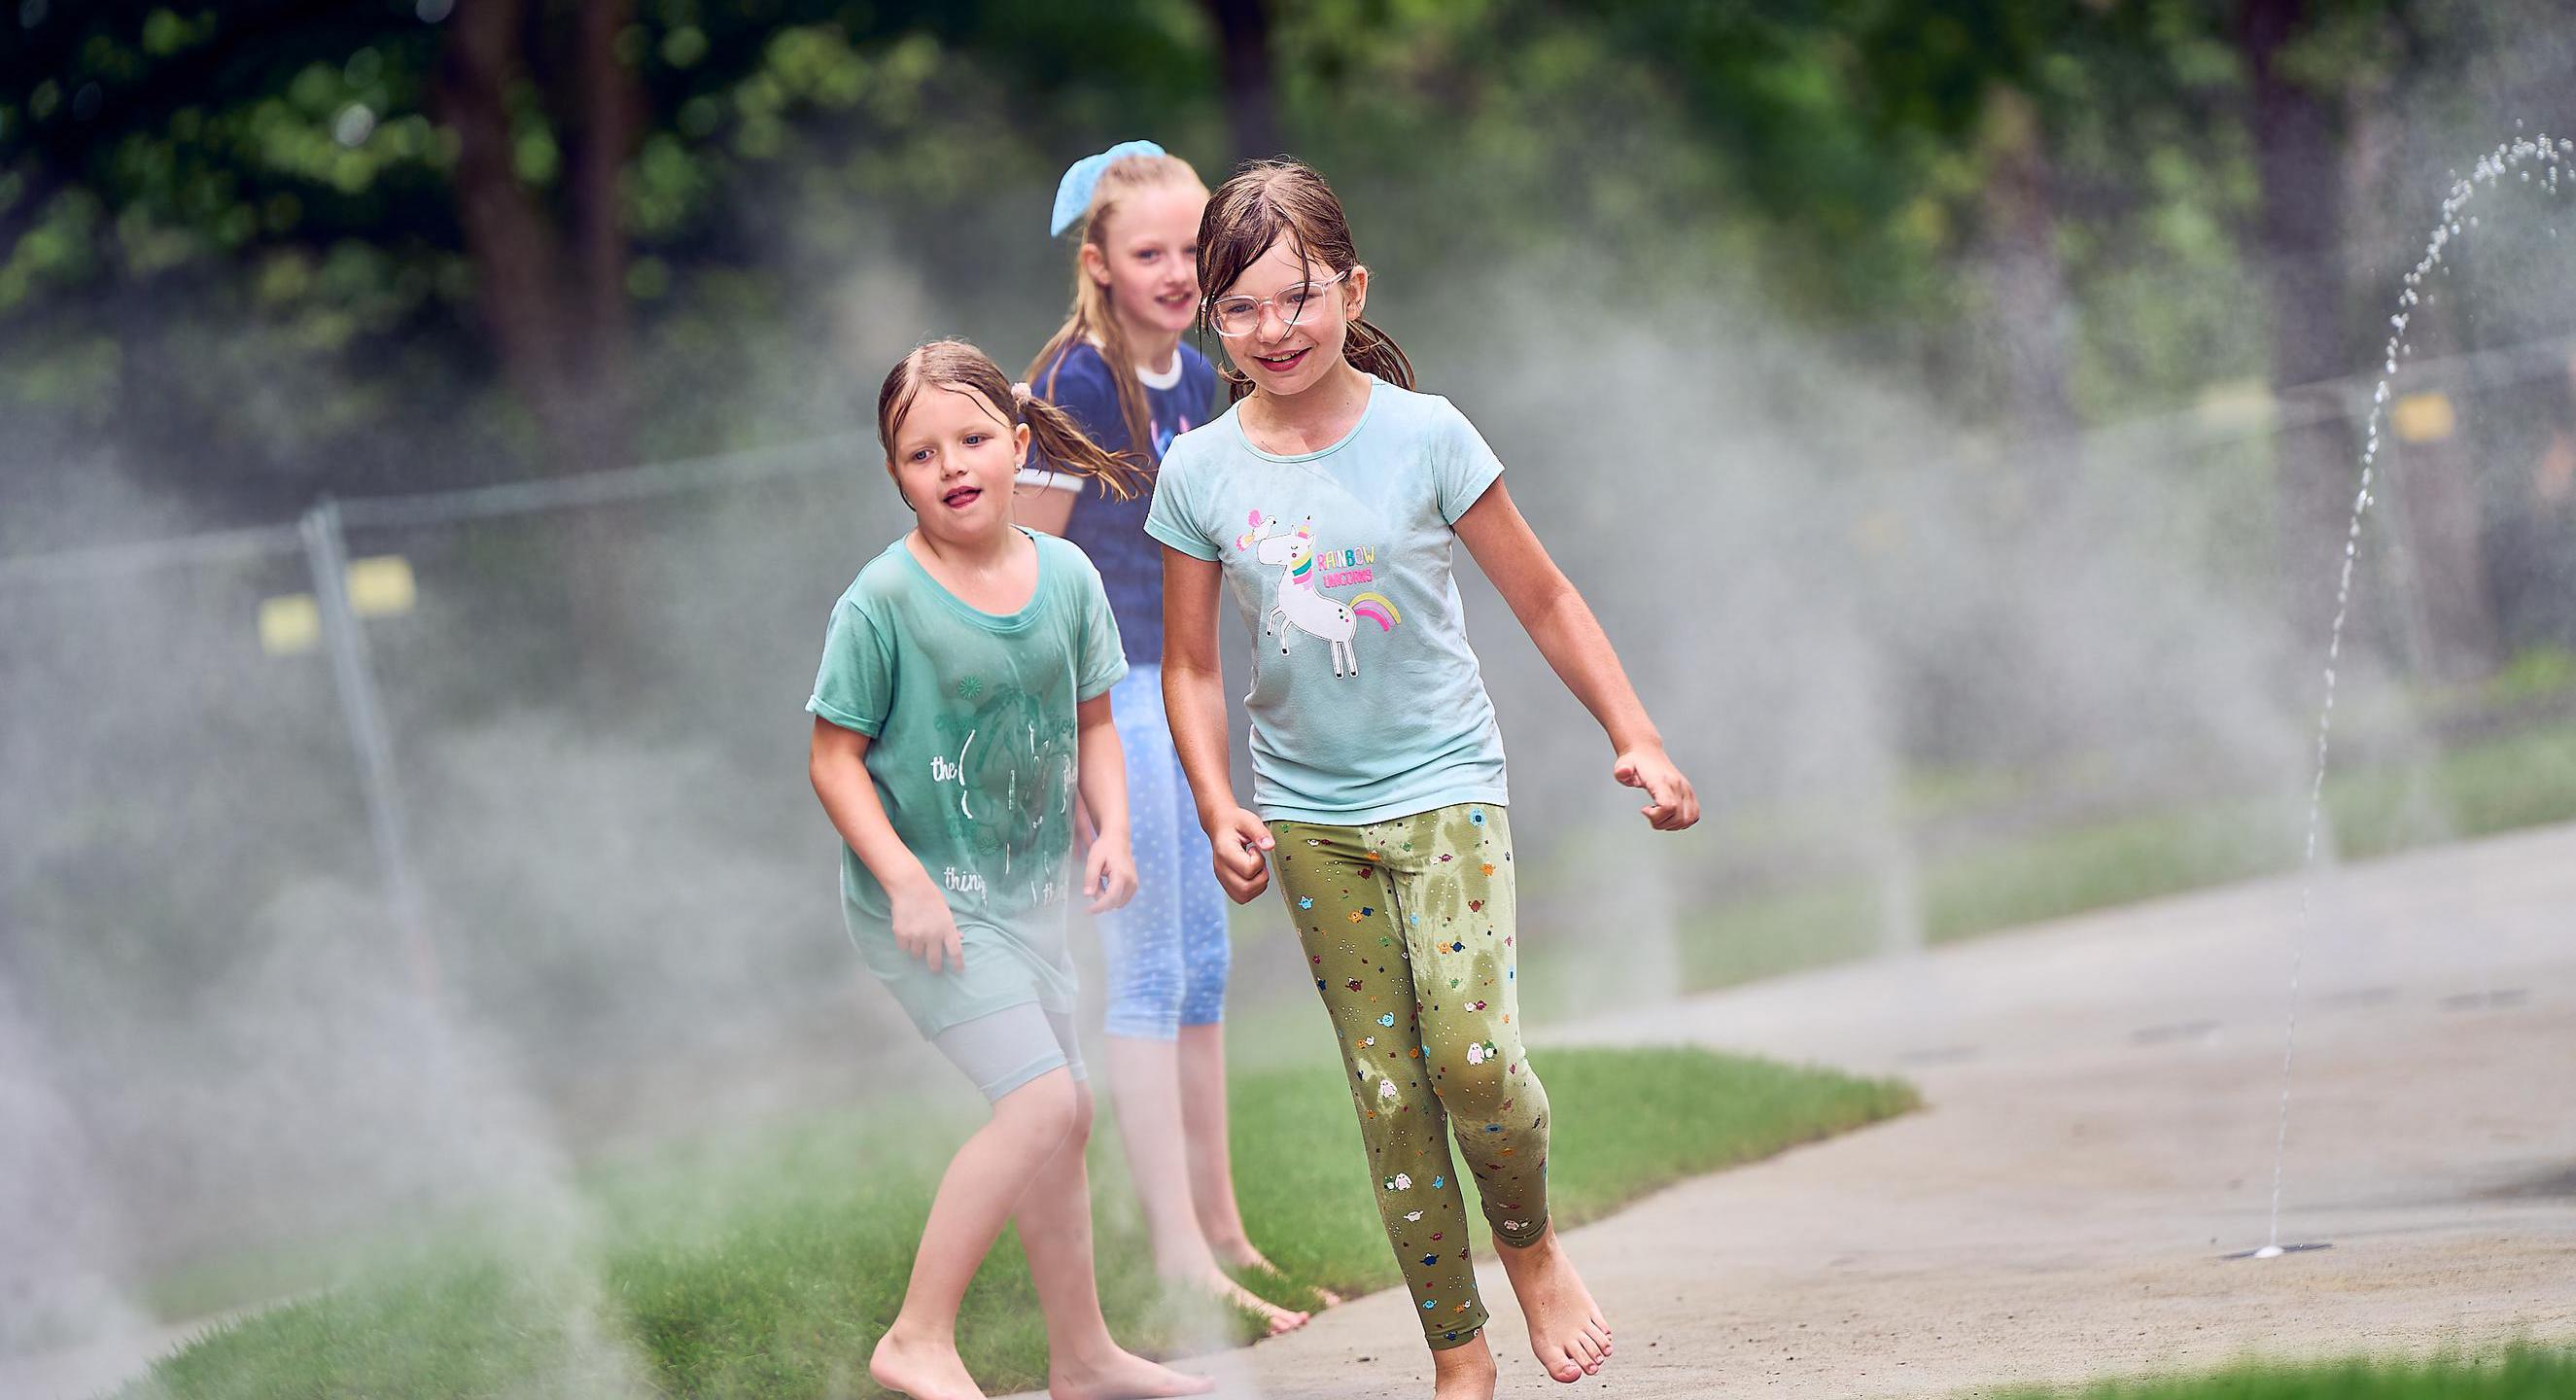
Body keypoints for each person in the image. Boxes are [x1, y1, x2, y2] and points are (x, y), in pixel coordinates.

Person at [1144, 160, 1701, 1400]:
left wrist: (1638, 733)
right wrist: (1215, 796)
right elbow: (1188, 668)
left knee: (1472, 1063)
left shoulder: (1427, 435)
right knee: (1391, 1093)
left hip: (1447, 785)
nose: (1272, 330)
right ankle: (1457, 1352)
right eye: (1238, 309)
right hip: (1307, 818)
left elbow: (1545, 597)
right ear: (1209, 321)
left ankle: (1533, 1247)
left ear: (1350, 287)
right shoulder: (1199, 474)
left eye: (1295, 297)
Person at [807, 338, 1212, 1400]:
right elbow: (832, 759)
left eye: (974, 439)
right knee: (1040, 1106)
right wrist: (903, 880)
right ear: (896, 475)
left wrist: (1112, 830)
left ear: (1020, 447)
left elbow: (1095, 724)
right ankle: (917, 1336)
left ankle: (1080, 1358)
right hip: (932, 911)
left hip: (1027, 903)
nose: (952, 465)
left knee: (1065, 1113)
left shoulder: (1067, 576)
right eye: (920, 452)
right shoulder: (883, 601)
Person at [1016, 140, 1313, 1336]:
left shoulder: (1198, 371)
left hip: (1178, 694)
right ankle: (1177, 1254)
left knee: (1203, 969)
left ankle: (1223, 1228)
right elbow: (1026, 577)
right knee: (1145, 973)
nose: (1180, 271)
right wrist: (1072, 774)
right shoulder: (1077, 383)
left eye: (1194, 248)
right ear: (1098, 262)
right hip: (1109, 702)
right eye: (1150, 252)